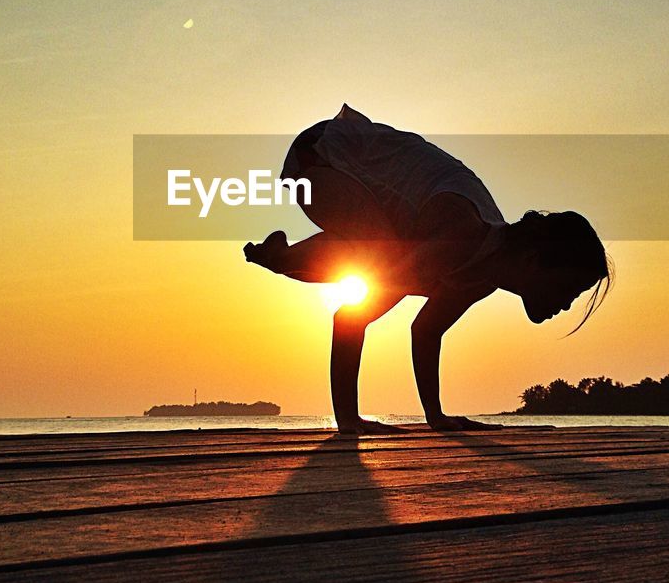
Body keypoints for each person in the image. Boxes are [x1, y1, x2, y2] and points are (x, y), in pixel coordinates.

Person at [244, 105, 612, 434]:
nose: (566, 305)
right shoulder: (457, 238)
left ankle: (279, 256)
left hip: (363, 176)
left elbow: (425, 330)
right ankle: (282, 258)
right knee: (378, 254)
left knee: (379, 252)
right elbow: (350, 317)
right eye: (568, 289)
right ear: (534, 260)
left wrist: (436, 416)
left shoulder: (483, 277)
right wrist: (349, 422)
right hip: (325, 153)